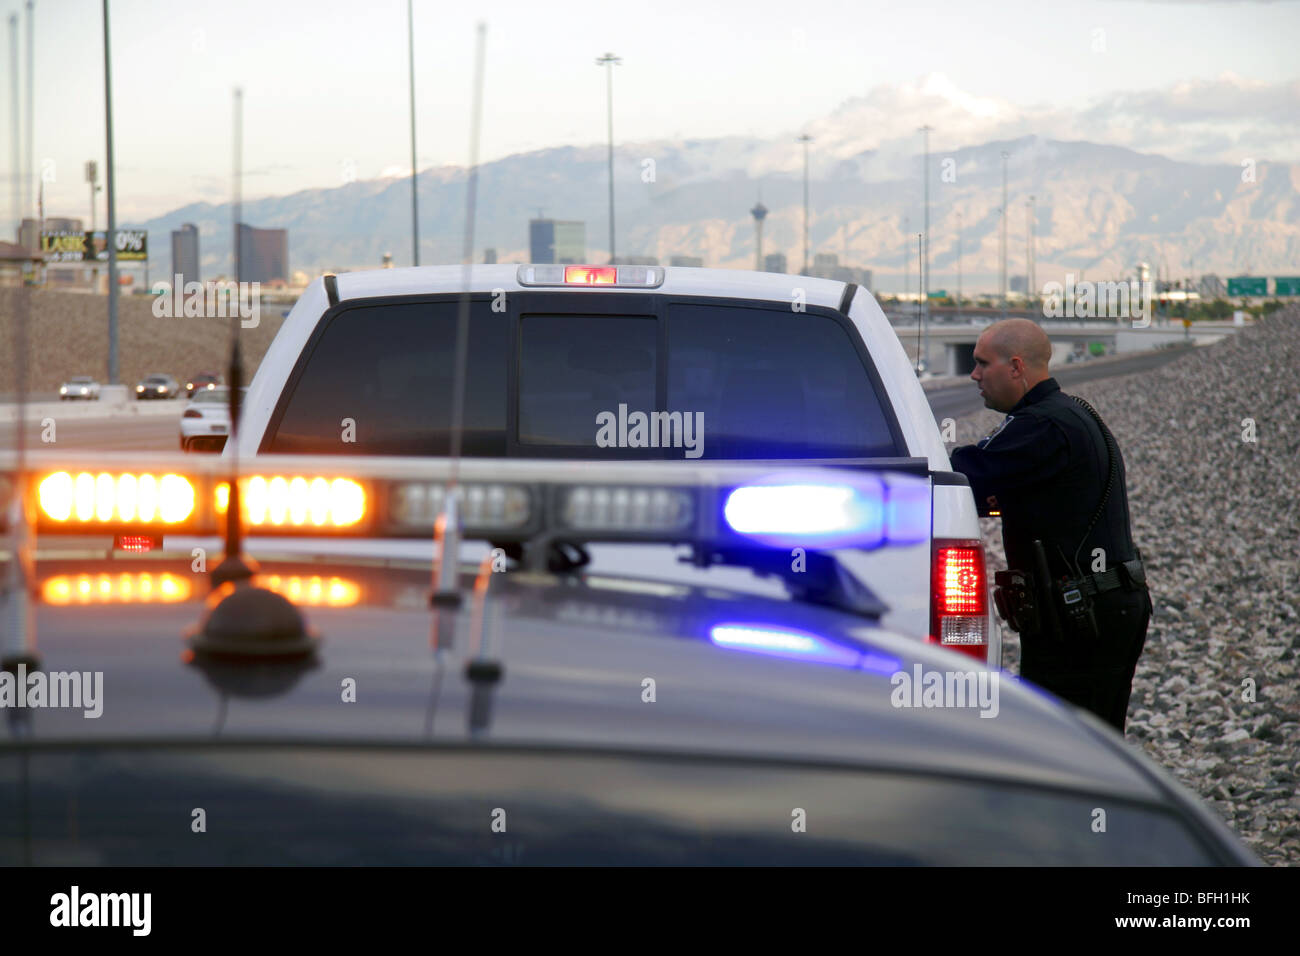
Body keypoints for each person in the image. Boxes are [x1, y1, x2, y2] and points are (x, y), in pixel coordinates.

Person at [949, 319, 1152, 733]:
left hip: (1082, 619)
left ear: (1016, 366)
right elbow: (1004, 493)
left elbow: (966, 476)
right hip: (1100, 607)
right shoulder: (1068, 413)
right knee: (1092, 747)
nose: (974, 375)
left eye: (982, 363)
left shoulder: (1040, 426)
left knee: (1062, 748)